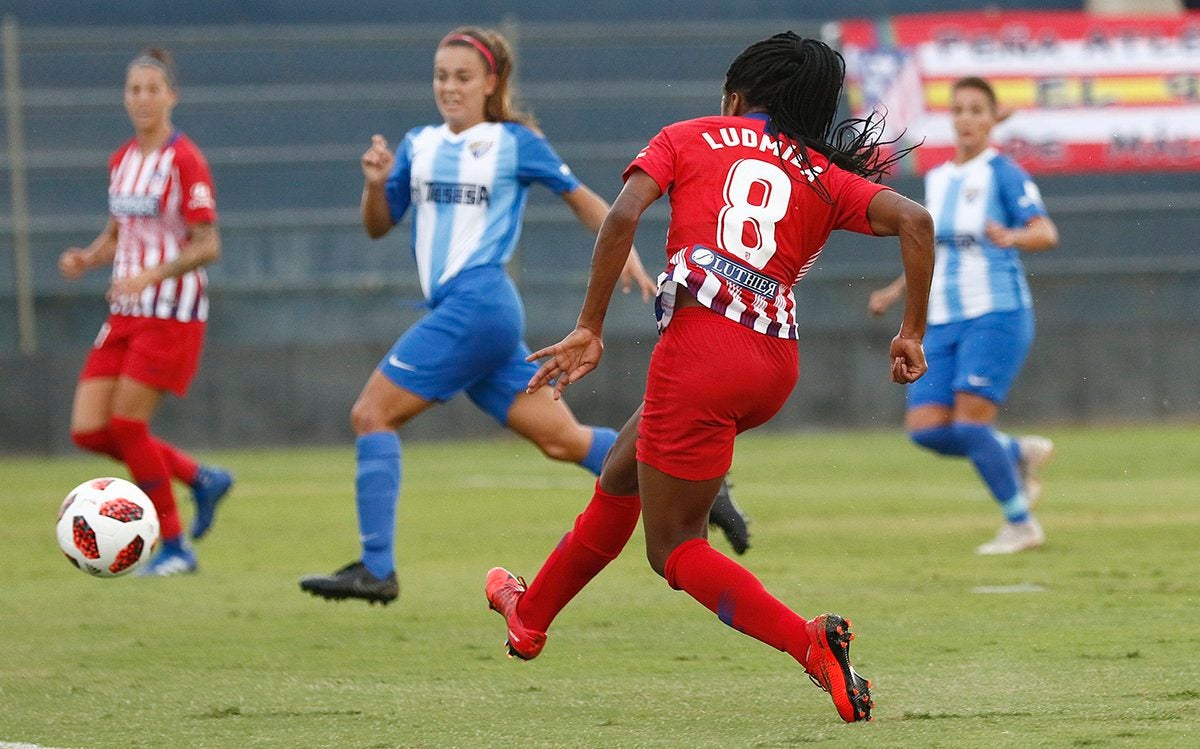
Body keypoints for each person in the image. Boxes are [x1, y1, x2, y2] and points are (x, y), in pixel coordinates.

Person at [484, 32, 935, 723]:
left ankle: (808, 644)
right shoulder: (820, 173)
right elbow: (916, 221)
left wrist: (590, 327)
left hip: (700, 353)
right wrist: (910, 332)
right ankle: (531, 615)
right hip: (772, 364)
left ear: (736, 96)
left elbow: (624, 216)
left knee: (673, 549)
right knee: (621, 473)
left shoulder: (690, 136)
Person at [298, 27, 748, 606]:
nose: (449, 87)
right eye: (441, 76)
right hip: (471, 318)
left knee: (370, 415)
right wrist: (373, 184)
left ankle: (376, 569)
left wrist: (627, 253)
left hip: (478, 305)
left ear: (491, 83)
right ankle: (704, 489)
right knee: (565, 441)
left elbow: (582, 196)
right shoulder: (418, 144)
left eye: (463, 77)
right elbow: (379, 223)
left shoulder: (513, 142)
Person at [58, 48, 234, 576]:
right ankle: (200, 477)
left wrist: (151, 276)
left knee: (128, 426)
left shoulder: (184, 160)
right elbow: (119, 232)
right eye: (134, 89)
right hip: (125, 310)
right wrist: (89, 258)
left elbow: (208, 244)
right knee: (90, 431)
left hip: (170, 312)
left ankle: (176, 546)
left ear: (171, 96)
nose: (142, 98)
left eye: (152, 89)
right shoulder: (122, 160)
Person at [867, 76, 1058, 556]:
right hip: (944, 319)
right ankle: (1016, 452)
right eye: (959, 109)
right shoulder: (939, 178)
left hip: (995, 312)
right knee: (927, 430)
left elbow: (1046, 231)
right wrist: (895, 292)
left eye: (977, 109)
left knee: (972, 426)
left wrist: (1013, 237)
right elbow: (933, 251)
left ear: (993, 119)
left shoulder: (1003, 172)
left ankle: (1021, 524)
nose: (966, 118)